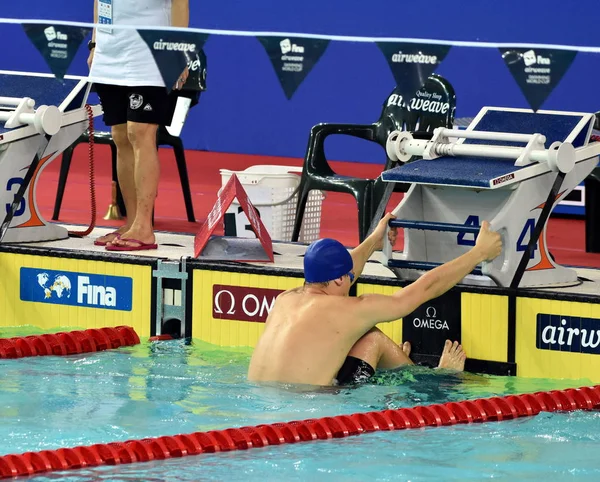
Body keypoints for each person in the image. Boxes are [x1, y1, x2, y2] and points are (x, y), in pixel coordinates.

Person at [247, 213, 502, 386]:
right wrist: (479, 253)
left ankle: (399, 366)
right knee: (374, 339)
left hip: (263, 413)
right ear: (339, 280)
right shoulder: (352, 310)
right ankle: (439, 379)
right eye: (349, 277)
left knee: (361, 342)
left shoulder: (285, 299)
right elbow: (424, 289)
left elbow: (341, 273)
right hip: (311, 415)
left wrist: (373, 242)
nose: (351, 280)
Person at [88, 0, 190, 251]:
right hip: (109, 53)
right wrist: (95, 43)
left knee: (140, 132)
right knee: (120, 136)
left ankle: (145, 226)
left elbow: (180, 2)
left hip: (150, 52)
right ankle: (131, 222)